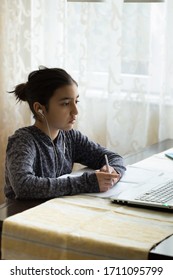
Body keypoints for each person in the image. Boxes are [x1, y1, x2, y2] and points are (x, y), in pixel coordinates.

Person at [4, 67, 126, 200]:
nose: (75, 111)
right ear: (39, 109)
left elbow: (114, 157)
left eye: (76, 101)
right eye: (66, 103)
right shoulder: (23, 141)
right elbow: (24, 186)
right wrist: (87, 182)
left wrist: (113, 172)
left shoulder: (71, 138)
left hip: (58, 210)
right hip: (22, 215)